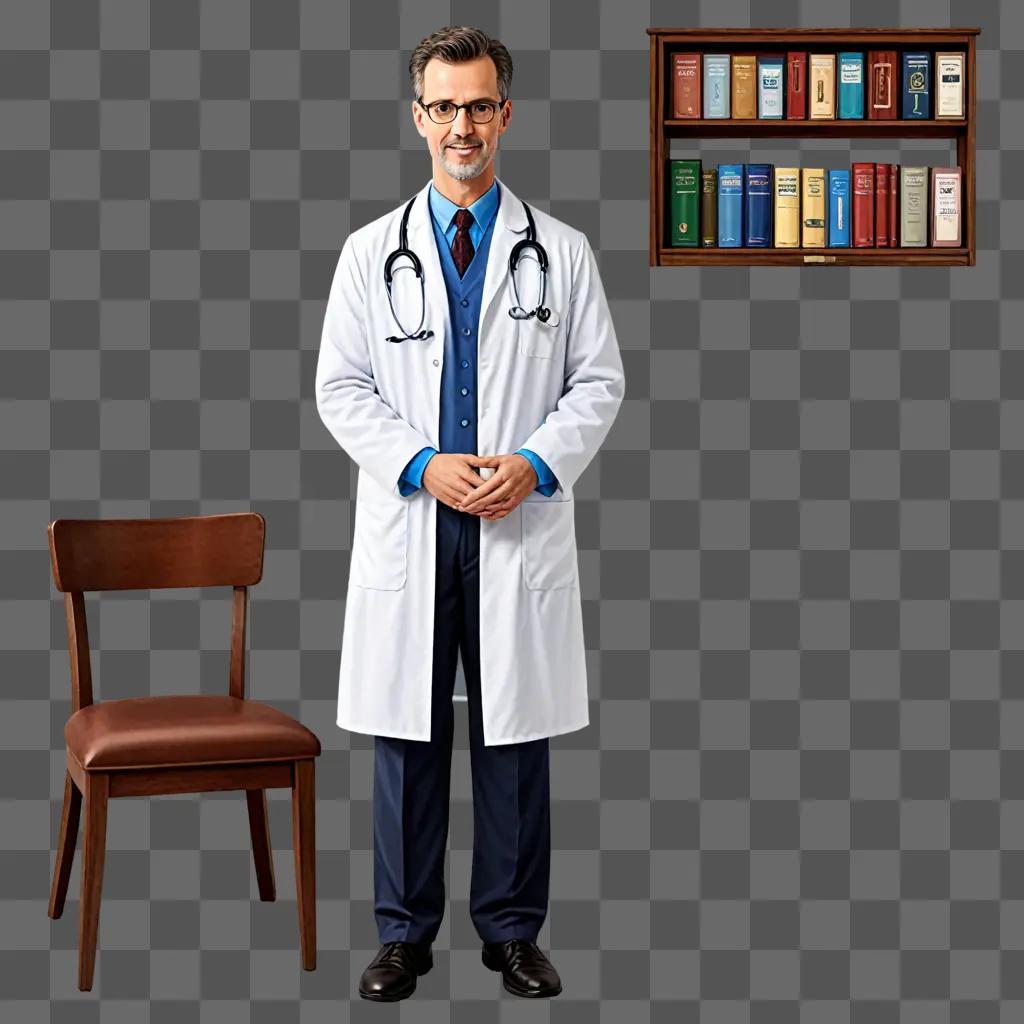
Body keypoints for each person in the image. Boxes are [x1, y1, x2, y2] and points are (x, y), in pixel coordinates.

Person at [315, 24, 625, 1002]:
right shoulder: (371, 253)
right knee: (408, 739)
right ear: (418, 117)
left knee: (512, 738)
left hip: (514, 523)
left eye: (479, 105)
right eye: (444, 106)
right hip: (418, 520)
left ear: (506, 114)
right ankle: (403, 936)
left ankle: (511, 933)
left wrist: (534, 463)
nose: (462, 125)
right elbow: (340, 387)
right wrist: (421, 463)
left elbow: (599, 381)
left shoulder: (562, 251)